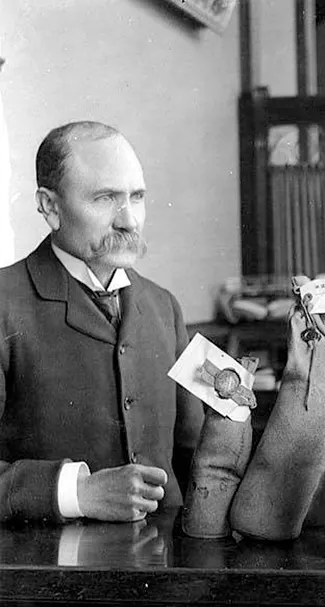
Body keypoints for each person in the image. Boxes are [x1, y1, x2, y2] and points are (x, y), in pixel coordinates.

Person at [0, 121, 203, 523]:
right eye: (105, 198)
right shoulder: (4, 304)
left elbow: (197, 458)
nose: (129, 220)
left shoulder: (164, 306)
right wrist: (74, 493)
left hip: (165, 573)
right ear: (50, 207)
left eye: (137, 197)